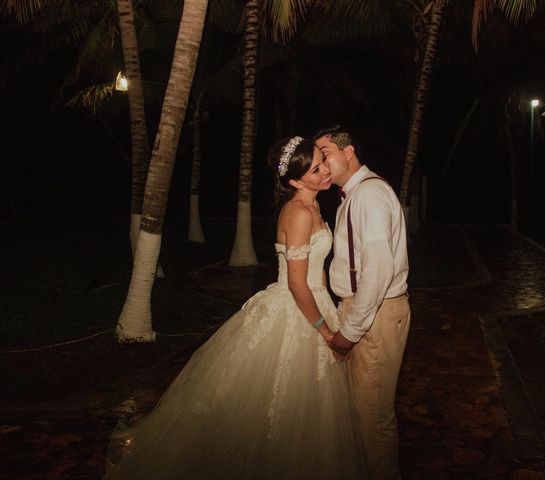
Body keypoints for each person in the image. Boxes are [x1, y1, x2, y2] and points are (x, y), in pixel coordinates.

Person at [104, 136, 364, 480]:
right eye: (315, 169)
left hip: (315, 303)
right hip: (299, 311)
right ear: (294, 181)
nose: (324, 171)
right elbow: (297, 284)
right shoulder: (300, 212)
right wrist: (327, 332)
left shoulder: (314, 204)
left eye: (322, 161)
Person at [315, 125, 410, 480]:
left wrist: (351, 329)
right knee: (363, 412)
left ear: (348, 151)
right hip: (367, 310)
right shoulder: (354, 195)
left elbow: (379, 269)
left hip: (374, 315)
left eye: (325, 153)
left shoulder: (368, 195)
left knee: (372, 416)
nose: (322, 164)